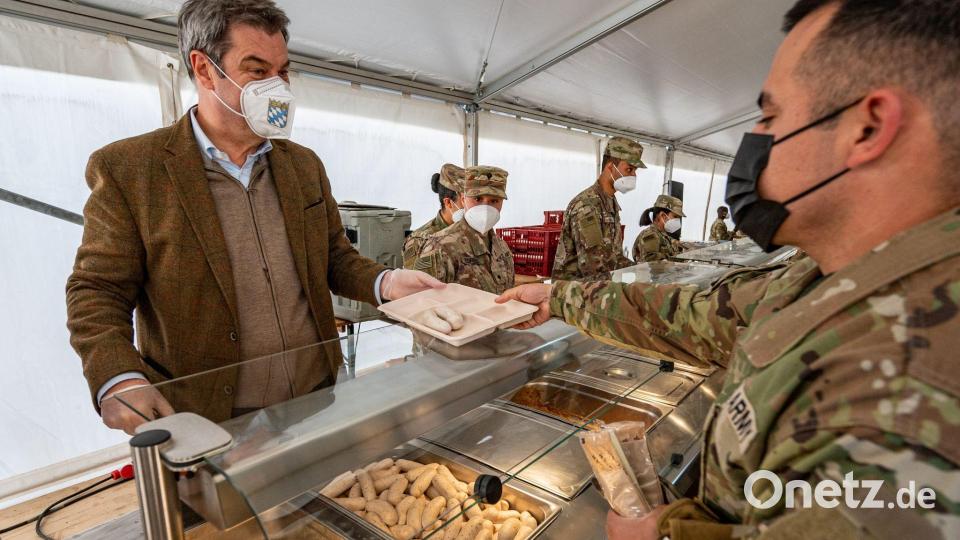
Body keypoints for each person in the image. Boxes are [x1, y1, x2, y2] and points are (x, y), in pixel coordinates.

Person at [498, 0, 960, 537]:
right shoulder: (832, 275)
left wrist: (665, 534)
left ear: (866, 128)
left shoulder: (914, 385)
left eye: (771, 115)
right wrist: (557, 297)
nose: (754, 140)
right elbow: (695, 314)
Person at [65, 0, 443, 435]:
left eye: (282, 71)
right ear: (204, 70)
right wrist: (118, 377)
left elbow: (334, 258)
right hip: (205, 416)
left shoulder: (302, 165)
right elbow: (97, 290)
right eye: (257, 71)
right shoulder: (131, 169)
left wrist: (387, 283)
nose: (277, 87)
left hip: (314, 398)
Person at [551, 137, 643, 280]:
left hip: (596, 290)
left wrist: (639, 270)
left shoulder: (610, 202)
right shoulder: (587, 206)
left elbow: (613, 258)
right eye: (629, 169)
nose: (634, 175)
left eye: (635, 171)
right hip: (575, 295)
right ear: (610, 167)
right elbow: (592, 265)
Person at [414, 166, 514, 294]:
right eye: (477, 199)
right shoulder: (440, 246)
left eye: (494, 201)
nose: (485, 207)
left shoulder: (502, 248)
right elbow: (421, 302)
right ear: (463, 199)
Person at [402, 163, 465, 269]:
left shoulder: (475, 232)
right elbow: (414, 283)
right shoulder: (421, 240)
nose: (474, 207)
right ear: (449, 203)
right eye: (465, 201)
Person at [632, 194, 686, 262]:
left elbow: (677, 247)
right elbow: (653, 263)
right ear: (663, 216)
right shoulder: (650, 235)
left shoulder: (663, 235)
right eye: (675, 217)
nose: (678, 221)